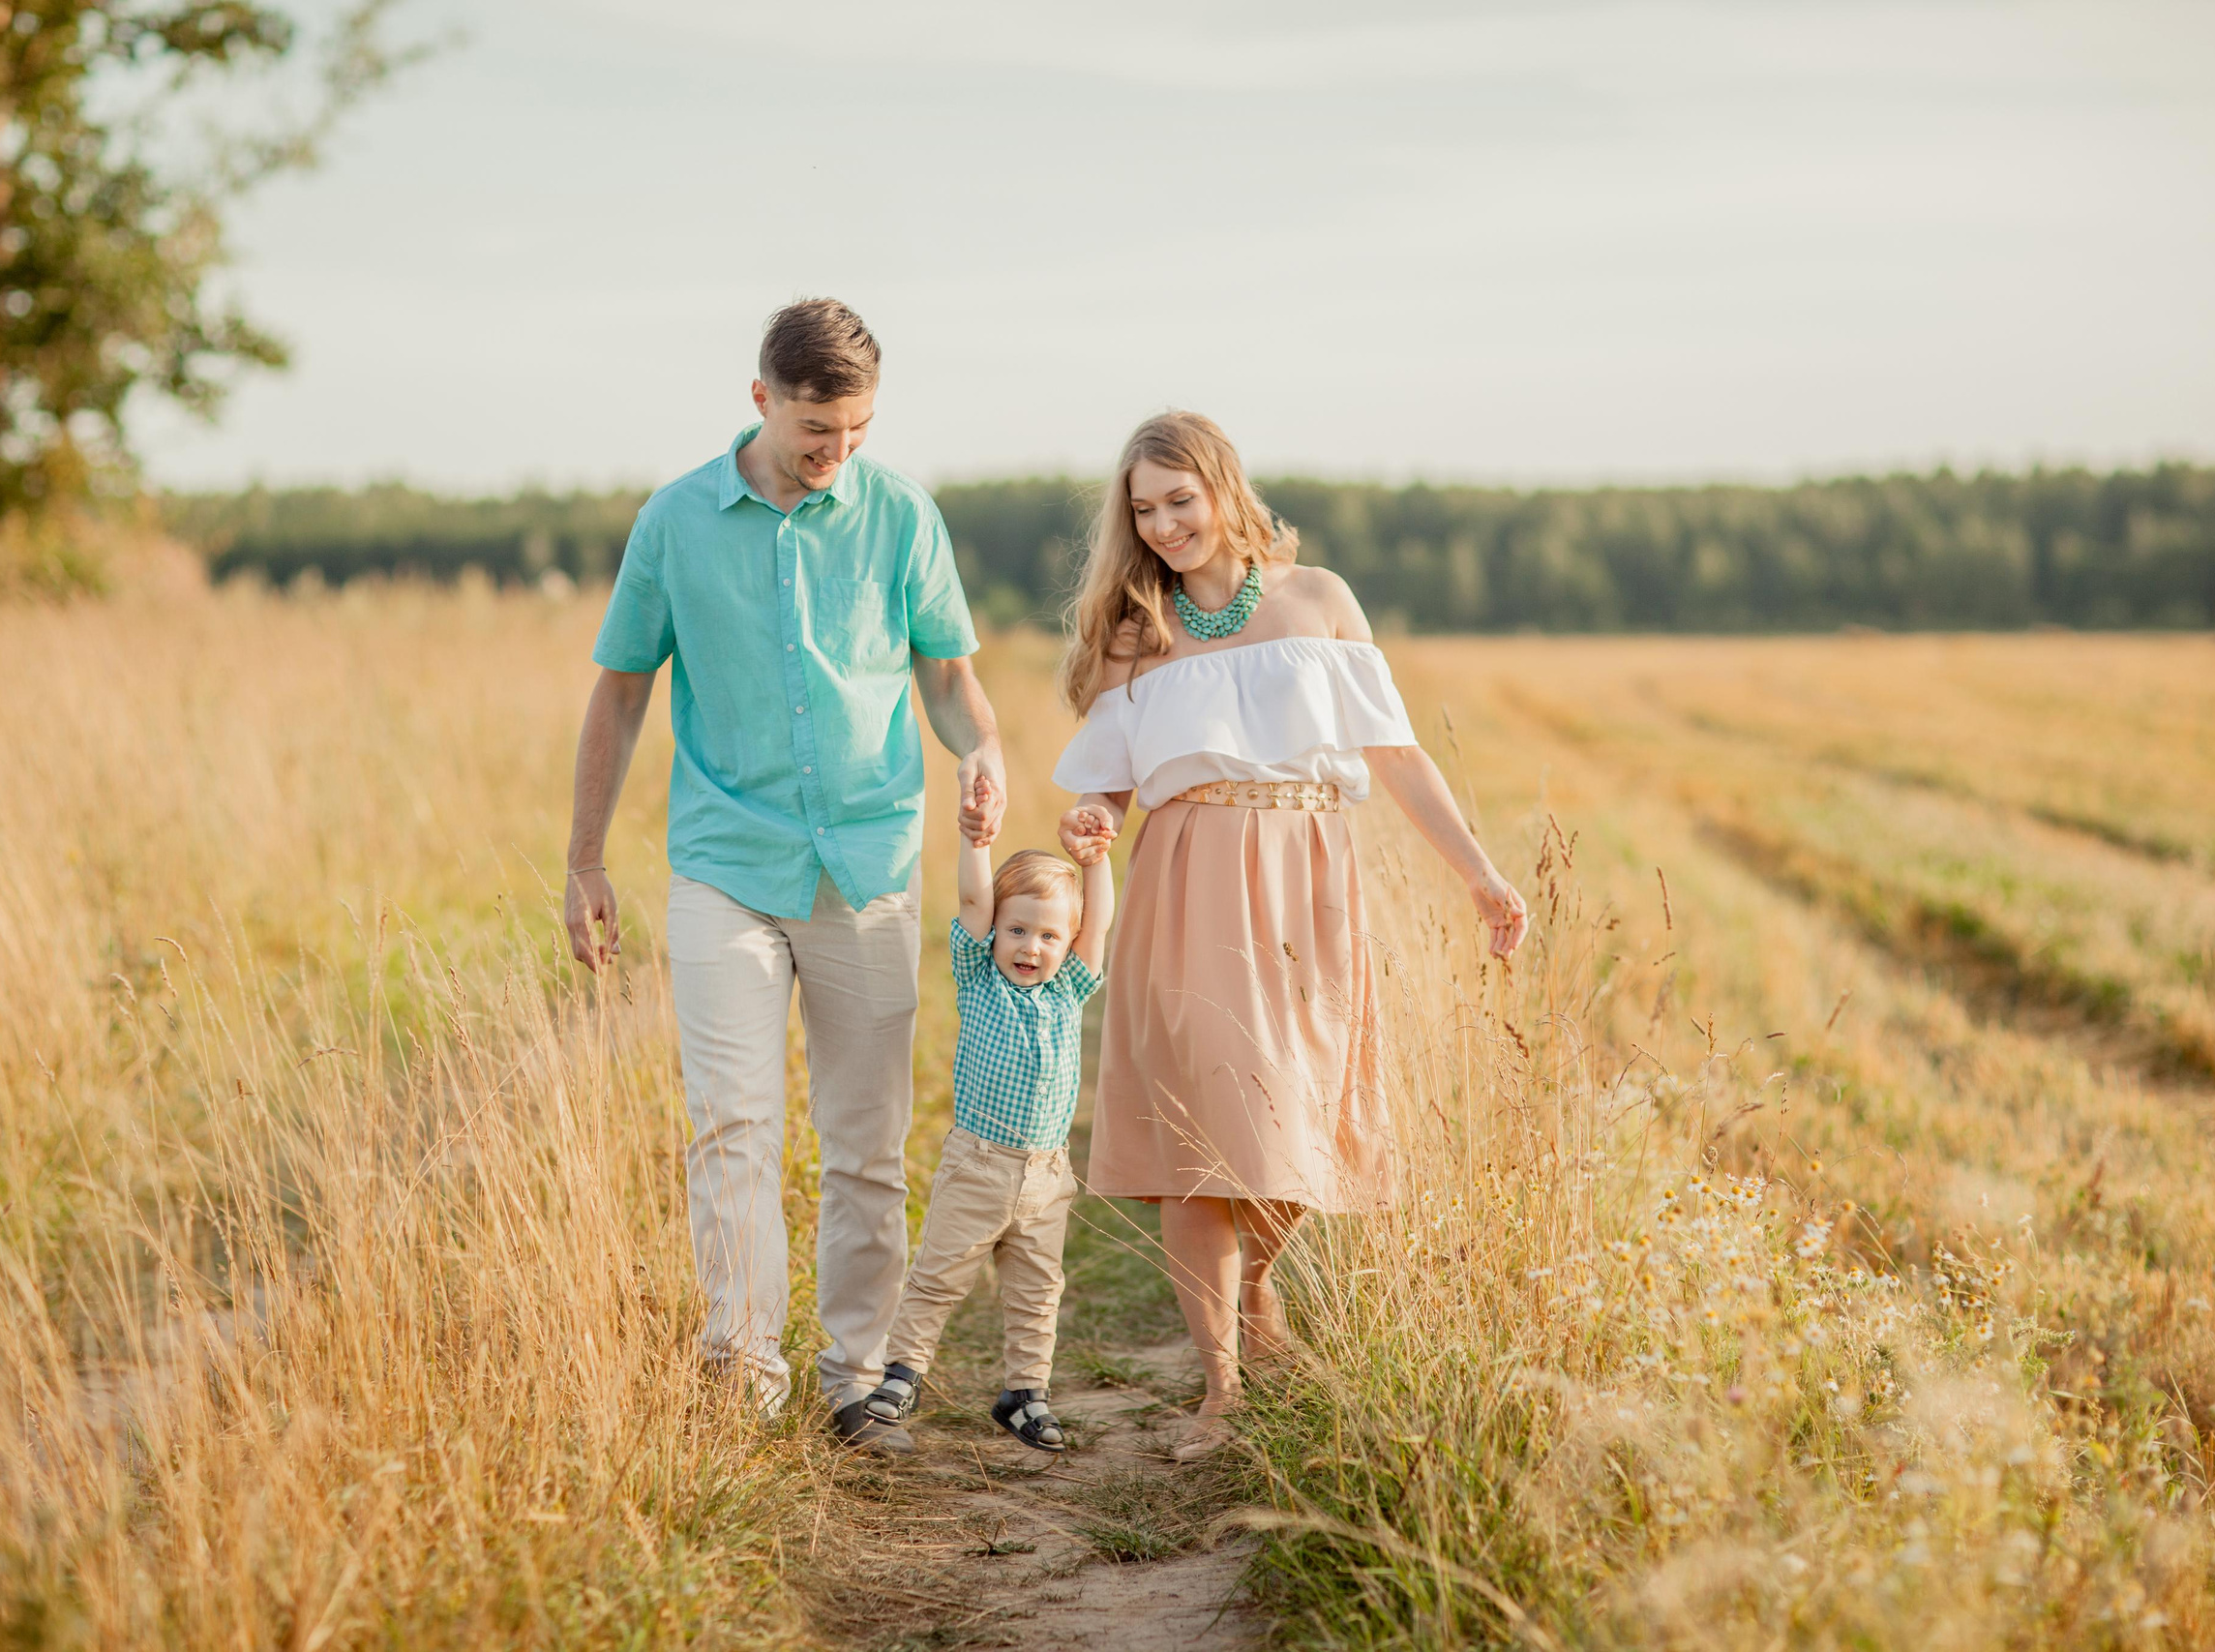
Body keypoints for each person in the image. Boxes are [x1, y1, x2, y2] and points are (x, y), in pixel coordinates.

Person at [561, 298, 1005, 1456]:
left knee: (864, 1142)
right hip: (726, 864)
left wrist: (986, 750)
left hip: (867, 866)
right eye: (817, 429)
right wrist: (584, 861)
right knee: (733, 1127)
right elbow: (619, 690)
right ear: (761, 399)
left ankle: (856, 1377)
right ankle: (743, 1367)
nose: (836, 453)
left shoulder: (902, 513)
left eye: (855, 429)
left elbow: (948, 678)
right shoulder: (675, 522)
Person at [1052, 410, 1528, 1461]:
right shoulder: (1139, 630)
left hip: (1310, 878)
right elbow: (1104, 779)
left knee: (1297, 1123)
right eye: (1145, 510)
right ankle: (1221, 1388)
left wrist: (1479, 872)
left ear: (1224, 489)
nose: (1167, 526)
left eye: (1182, 500)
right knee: (1201, 1138)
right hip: (1188, 879)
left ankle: (1256, 1287)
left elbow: (1396, 754)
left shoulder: (1319, 601)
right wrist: (1089, 818)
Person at [857, 782, 1116, 1453]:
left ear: (1070, 941)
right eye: (1018, 929)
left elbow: (1101, 921)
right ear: (996, 930)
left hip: (1047, 1175)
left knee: (1037, 1291)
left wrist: (1093, 860)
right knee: (939, 1275)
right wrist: (977, 841)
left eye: (1049, 934)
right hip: (979, 1164)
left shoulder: (1069, 988)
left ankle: (1025, 1394)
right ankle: (903, 1371)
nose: (1031, 945)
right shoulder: (980, 977)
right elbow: (974, 898)